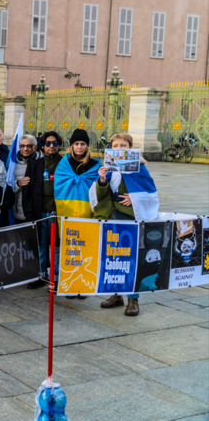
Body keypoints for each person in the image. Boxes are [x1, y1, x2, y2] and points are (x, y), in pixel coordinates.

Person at [93, 133, 158, 317]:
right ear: (111, 148)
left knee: (130, 258)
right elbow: (101, 193)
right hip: (111, 216)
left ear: (130, 148)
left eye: (123, 144)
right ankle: (115, 295)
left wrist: (134, 197)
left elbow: (152, 193)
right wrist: (102, 180)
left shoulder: (140, 167)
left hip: (130, 217)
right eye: (115, 145)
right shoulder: (107, 167)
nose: (119, 148)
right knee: (112, 256)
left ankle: (133, 299)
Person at [54, 128, 100, 300]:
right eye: (76, 144)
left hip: (88, 212)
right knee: (70, 250)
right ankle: (70, 285)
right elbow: (59, 185)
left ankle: (84, 285)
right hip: (67, 212)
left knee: (86, 250)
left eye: (83, 144)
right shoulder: (64, 164)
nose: (79, 147)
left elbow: (100, 187)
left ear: (87, 146)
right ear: (71, 146)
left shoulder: (95, 166)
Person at [22, 131, 64, 289]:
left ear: (59, 145)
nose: (51, 146)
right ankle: (40, 275)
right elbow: (26, 192)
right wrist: (29, 213)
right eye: (48, 143)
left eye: (54, 143)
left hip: (58, 212)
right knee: (40, 244)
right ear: (42, 146)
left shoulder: (64, 163)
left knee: (57, 246)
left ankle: (56, 277)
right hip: (40, 213)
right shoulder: (34, 165)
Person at [11, 134, 41, 224]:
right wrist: (18, 184)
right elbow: (8, 185)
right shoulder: (12, 162)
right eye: (22, 146)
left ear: (35, 147)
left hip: (37, 209)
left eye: (29, 146)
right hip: (19, 210)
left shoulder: (42, 161)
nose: (25, 149)